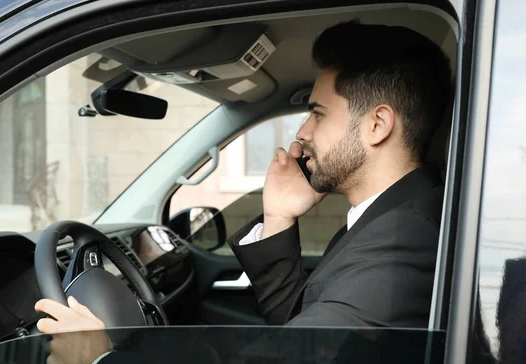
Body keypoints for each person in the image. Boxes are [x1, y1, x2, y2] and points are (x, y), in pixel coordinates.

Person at [34, 19, 453, 363]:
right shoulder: (390, 218)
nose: (302, 133)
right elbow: (305, 328)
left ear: (378, 125)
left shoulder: (405, 244)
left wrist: (100, 356)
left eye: (317, 114)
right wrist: (279, 217)